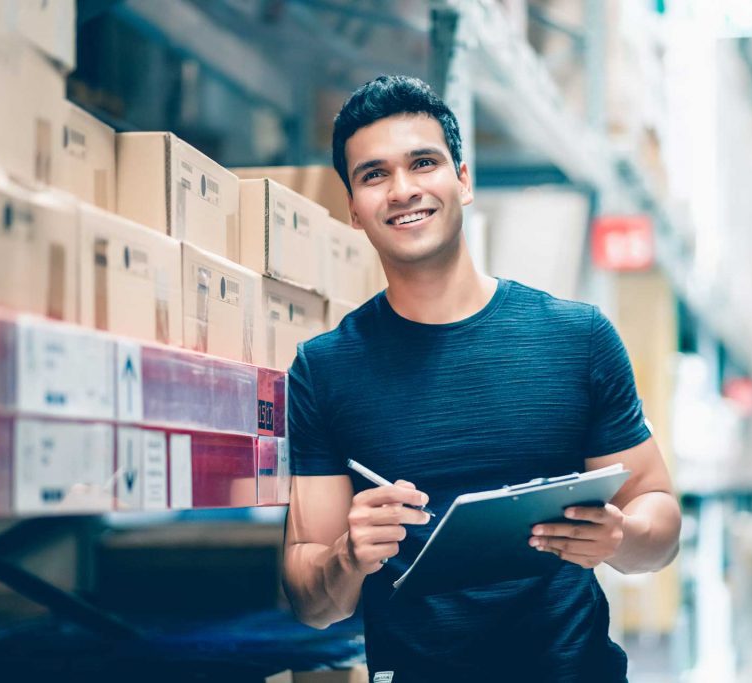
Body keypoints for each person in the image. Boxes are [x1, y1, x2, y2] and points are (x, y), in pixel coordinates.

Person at [282, 75, 681, 683]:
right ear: (354, 211)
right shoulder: (325, 369)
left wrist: (619, 536)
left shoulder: (577, 338)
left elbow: (661, 520)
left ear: (463, 181)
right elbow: (313, 601)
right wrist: (345, 559)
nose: (403, 190)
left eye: (423, 163)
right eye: (374, 175)